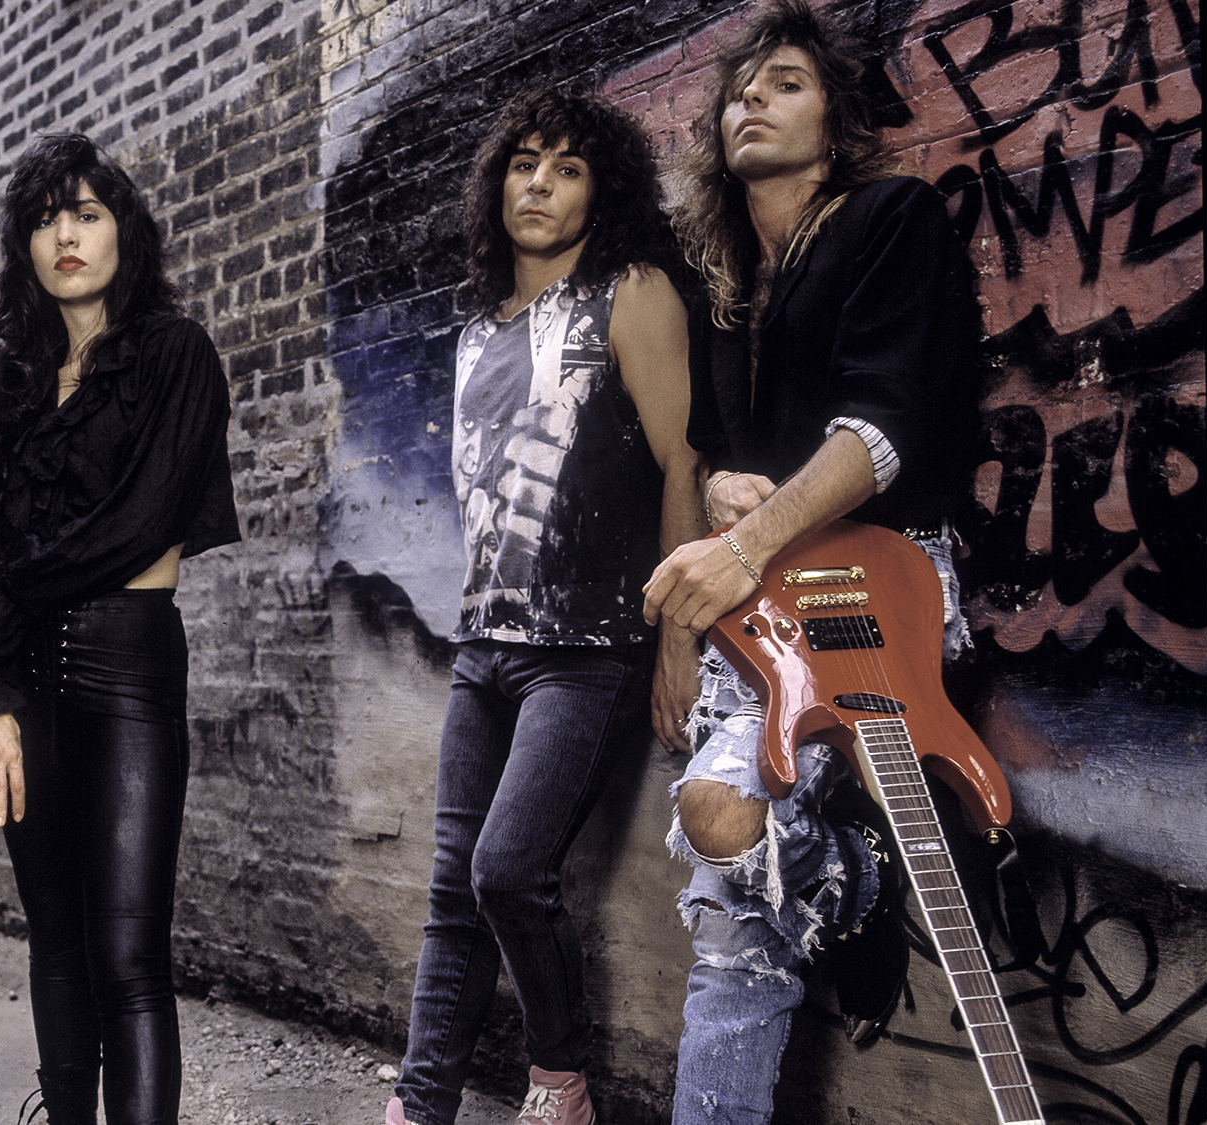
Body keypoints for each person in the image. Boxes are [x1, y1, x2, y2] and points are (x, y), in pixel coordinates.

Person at [640, 1, 981, 1121]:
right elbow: (709, 473)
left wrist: (740, 534)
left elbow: (883, 429)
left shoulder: (892, 220)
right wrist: (720, 508)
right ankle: (858, 882)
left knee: (732, 902)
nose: (748, 98)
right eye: (739, 86)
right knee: (720, 833)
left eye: (783, 82)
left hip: (884, 584)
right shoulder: (724, 293)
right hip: (763, 609)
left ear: (832, 120)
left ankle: (849, 881)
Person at [382, 88, 702, 1125]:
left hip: (588, 646)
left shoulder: (631, 292)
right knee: (450, 894)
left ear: (597, 189)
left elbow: (677, 460)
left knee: (507, 871)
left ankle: (560, 1082)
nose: (538, 181)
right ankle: (419, 1106)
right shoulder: (477, 329)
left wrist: (676, 640)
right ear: (496, 182)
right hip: (482, 648)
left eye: (566, 166)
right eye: (523, 160)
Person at [0, 133, 239, 1125]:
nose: (64, 235)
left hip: (125, 677)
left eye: (85, 213)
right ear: (23, 248)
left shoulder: (172, 354)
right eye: (43, 218)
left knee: (125, 952)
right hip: (22, 690)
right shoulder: (11, 396)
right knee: (56, 943)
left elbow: (140, 529)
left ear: (124, 231)